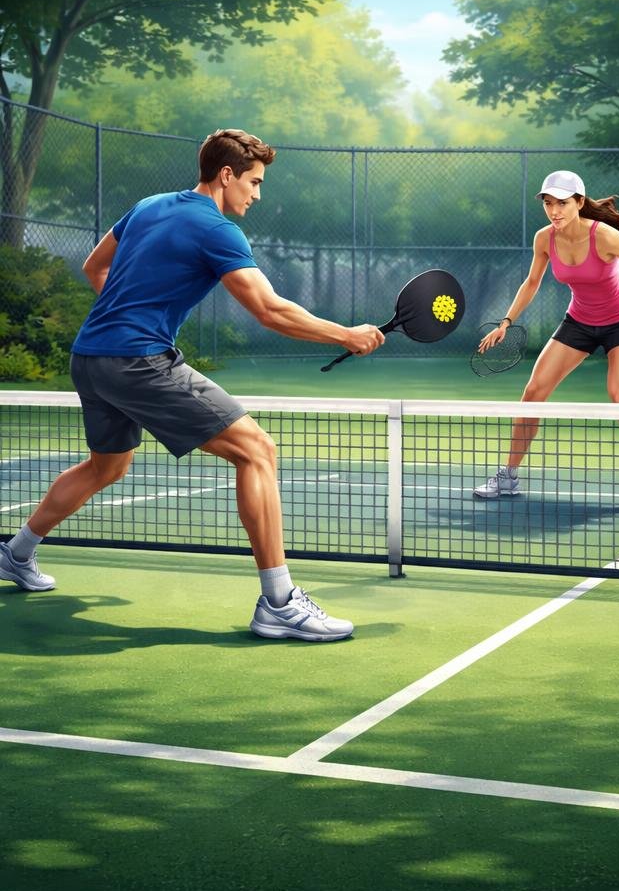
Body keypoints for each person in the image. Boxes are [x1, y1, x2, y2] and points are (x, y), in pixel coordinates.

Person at [0, 129, 386, 641]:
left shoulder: (148, 206)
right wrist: (346, 333)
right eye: (253, 181)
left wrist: (127, 315)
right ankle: (280, 603)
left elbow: (96, 267)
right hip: (139, 361)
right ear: (226, 175)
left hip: (90, 356)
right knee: (257, 451)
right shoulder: (218, 230)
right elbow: (269, 310)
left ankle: (15, 553)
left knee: (107, 466)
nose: (257, 193)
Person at [473, 170, 619, 510]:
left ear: (578, 202)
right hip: (579, 321)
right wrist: (506, 322)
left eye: (562, 203)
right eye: (548, 203)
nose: (554, 211)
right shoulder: (544, 238)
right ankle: (508, 476)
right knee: (532, 393)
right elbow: (531, 283)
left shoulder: (603, 236)